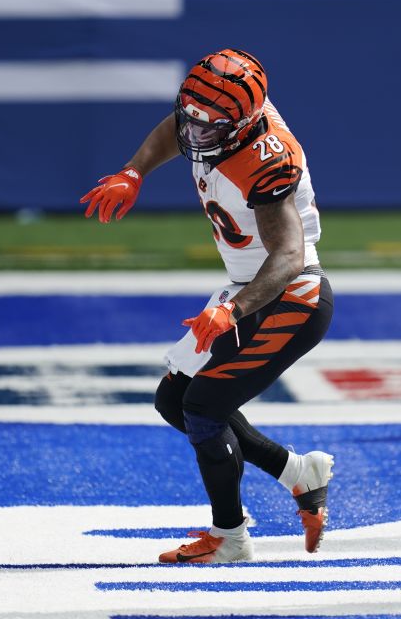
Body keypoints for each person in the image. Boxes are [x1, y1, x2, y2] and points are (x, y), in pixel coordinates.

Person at [80, 49, 335, 563]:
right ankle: (298, 473)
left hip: (289, 295)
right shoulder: (221, 114)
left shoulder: (266, 156)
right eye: (192, 118)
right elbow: (181, 124)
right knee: (174, 402)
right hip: (249, 287)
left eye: (209, 127)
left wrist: (233, 310)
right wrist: (134, 171)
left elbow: (287, 257)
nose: (195, 135)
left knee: (202, 407)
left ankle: (230, 538)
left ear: (242, 124)